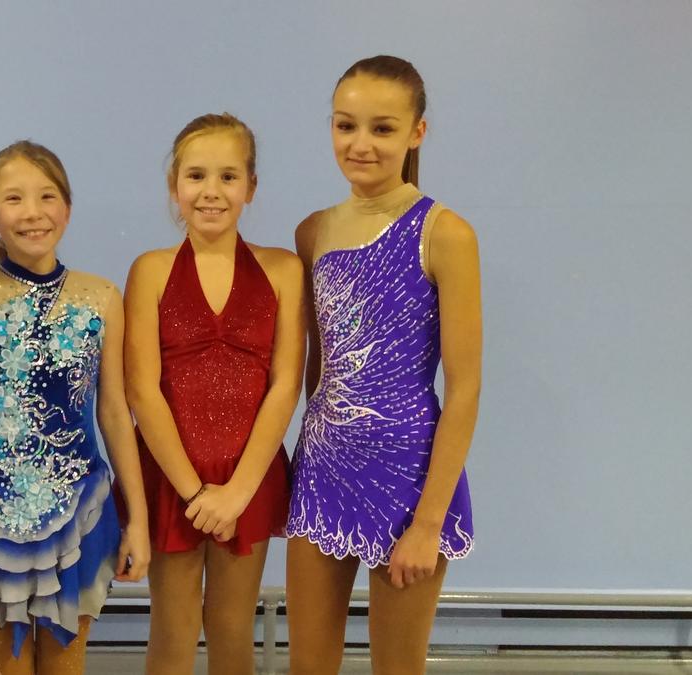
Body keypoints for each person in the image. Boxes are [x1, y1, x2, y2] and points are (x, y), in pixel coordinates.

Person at [284, 55, 483, 675]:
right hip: (323, 468)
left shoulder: (445, 233)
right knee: (307, 665)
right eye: (346, 126)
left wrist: (428, 523)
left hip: (410, 476)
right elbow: (318, 366)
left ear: (417, 132)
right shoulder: (312, 231)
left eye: (383, 128)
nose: (361, 144)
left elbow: (465, 388)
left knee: (397, 666)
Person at [0, 141, 151, 675]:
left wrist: (139, 519)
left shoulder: (102, 297)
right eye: (14, 198)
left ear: (68, 209)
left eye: (47, 196)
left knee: (65, 666)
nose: (32, 212)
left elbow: (115, 412)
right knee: (6, 667)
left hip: (82, 510)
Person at [125, 113, 305, 675]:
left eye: (228, 177)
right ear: (174, 186)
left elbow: (285, 386)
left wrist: (236, 493)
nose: (211, 191)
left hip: (247, 478)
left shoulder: (283, 269)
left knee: (231, 629)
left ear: (251, 186)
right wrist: (195, 494)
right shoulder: (151, 270)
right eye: (196, 175)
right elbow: (142, 391)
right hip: (173, 477)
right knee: (173, 631)